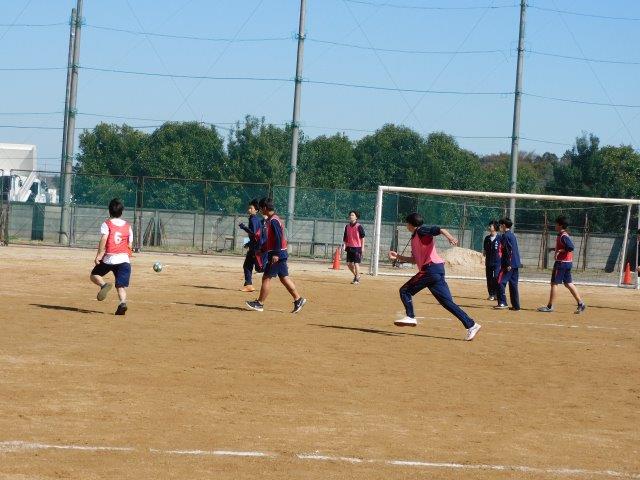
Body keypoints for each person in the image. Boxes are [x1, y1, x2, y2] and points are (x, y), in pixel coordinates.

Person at [388, 212, 481, 341]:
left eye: (407, 223)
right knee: (447, 303)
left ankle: (410, 316)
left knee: (405, 291)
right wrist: (398, 257)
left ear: (411, 224)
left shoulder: (421, 231)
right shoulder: (414, 238)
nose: (406, 225)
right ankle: (471, 325)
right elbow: (415, 260)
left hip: (430, 269)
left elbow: (439, 229)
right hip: (436, 270)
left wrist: (450, 237)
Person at [245, 198, 307, 313]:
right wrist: (264, 249)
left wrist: (276, 254)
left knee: (266, 278)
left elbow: (279, 237)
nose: (260, 211)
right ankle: (298, 299)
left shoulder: (273, 220)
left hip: (277, 255)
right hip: (280, 253)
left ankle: (259, 303)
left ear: (265, 208)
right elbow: (272, 239)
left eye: (261, 208)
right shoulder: (272, 219)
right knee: (284, 278)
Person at [90, 198, 133, 315]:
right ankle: (122, 303)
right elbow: (129, 245)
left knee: (94, 274)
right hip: (124, 260)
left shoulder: (107, 224)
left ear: (109, 211)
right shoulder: (128, 226)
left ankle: (104, 285)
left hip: (109, 259)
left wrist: (99, 255)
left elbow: (104, 239)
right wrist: (128, 252)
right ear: (122, 212)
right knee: (120, 286)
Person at [537, 216, 586, 314]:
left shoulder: (563, 236)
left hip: (561, 263)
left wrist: (560, 251)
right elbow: (565, 247)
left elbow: (570, 247)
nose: (555, 225)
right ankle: (581, 303)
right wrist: (554, 249)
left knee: (554, 284)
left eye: (556, 224)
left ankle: (549, 306)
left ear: (560, 225)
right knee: (568, 283)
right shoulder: (563, 235)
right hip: (567, 263)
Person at [495, 217, 521, 311]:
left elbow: (507, 250)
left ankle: (502, 303)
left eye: (500, 225)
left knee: (500, 281)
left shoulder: (505, 236)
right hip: (515, 263)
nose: (499, 227)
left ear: (504, 225)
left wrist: (508, 263)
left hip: (508, 264)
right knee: (513, 284)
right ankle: (516, 306)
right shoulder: (512, 235)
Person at [238, 199, 263, 292]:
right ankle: (248, 284)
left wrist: (243, 227)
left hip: (255, 247)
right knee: (249, 265)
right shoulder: (255, 219)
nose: (249, 210)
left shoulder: (253, 219)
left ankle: (249, 284)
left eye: (251, 208)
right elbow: (256, 235)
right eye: (249, 208)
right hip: (254, 246)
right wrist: (248, 243)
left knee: (253, 266)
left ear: (256, 210)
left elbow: (253, 233)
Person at [342, 210, 366, 285]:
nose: (351, 216)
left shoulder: (359, 226)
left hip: (357, 247)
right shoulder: (347, 226)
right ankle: (356, 275)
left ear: (356, 217)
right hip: (349, 247)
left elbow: (362, 237)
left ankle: (357, 279)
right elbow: (345, 238)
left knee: (356, 263)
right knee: (349, 264)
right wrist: (344, 245)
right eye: (350, 215)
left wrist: (362, 247)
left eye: (352, 215)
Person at [482, 220, 501, 301]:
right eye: (489, 226)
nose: (489, 227)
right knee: (489, 278)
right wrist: (484, 254)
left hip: (497, 262)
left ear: (495, 227)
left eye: (491, 226)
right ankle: (491, 294)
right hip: (489, 262)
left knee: (496, 277)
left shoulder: (500, 238)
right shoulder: (487, 238)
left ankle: (496, 294)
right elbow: (484, 251)